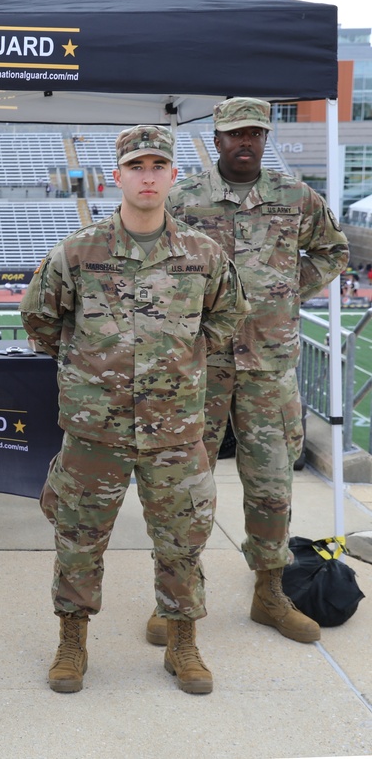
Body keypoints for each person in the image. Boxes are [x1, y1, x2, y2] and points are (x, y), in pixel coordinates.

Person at [21, 125, 248, 695]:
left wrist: (181, 360)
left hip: (174, 430)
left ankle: (182, 640)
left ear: (173, 177)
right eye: (136, 167)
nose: (147, 177)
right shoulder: (78, 252)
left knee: (183, 539)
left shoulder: (203, 255)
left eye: (157, 167)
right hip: (95, 430)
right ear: (116, 177)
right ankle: (72, 640)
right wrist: (90, 371)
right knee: (78, 536)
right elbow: (40, 320)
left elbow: (225, 320)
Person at [164, 97, 349, 644]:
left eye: (255, 133)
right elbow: (158, 258)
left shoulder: (295, 197)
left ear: (266, 139)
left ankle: (269, 593)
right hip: (203, 365)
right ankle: (177, 600)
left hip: (269, 366)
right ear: (216, 139)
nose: (245, 142)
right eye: (234, 134)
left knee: (271, 486)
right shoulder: (184, 197)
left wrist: (289, 290)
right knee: (184, 484)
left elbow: (333, 251)